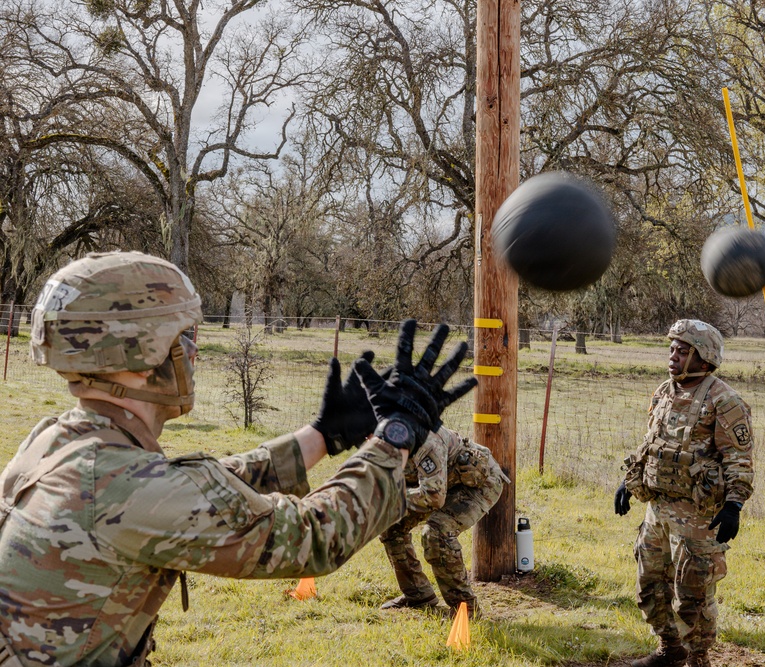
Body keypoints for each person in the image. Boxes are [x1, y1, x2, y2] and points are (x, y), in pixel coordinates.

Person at [0, 251, 476, 667]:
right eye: (185, 336)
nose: (195, 352)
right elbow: (314, 537)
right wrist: (395, 437)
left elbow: (201, 487)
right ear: (143, 354)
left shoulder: (60, 441)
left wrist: (321, 436)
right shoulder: (118, 486)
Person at [614, 320, 755, 667]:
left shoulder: (724, 400)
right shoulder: (665, 391)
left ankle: (697, 659)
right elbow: (653, 443)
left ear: (703, 358)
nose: (673, 356)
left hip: (697, 517)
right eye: (672, 348)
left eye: (682, 350)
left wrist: (734, 504)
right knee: (650, 587)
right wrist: (629, 483)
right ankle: (670, 650)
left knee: (692, 595)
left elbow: (739, 458)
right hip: (658, 510)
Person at [378, 426, 508, 617]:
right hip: (437, 483)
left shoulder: (425, 440)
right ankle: (418, 595)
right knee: (391, 525)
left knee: (437, 531)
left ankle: (465, 610)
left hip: (474, 482)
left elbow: (433, 496)